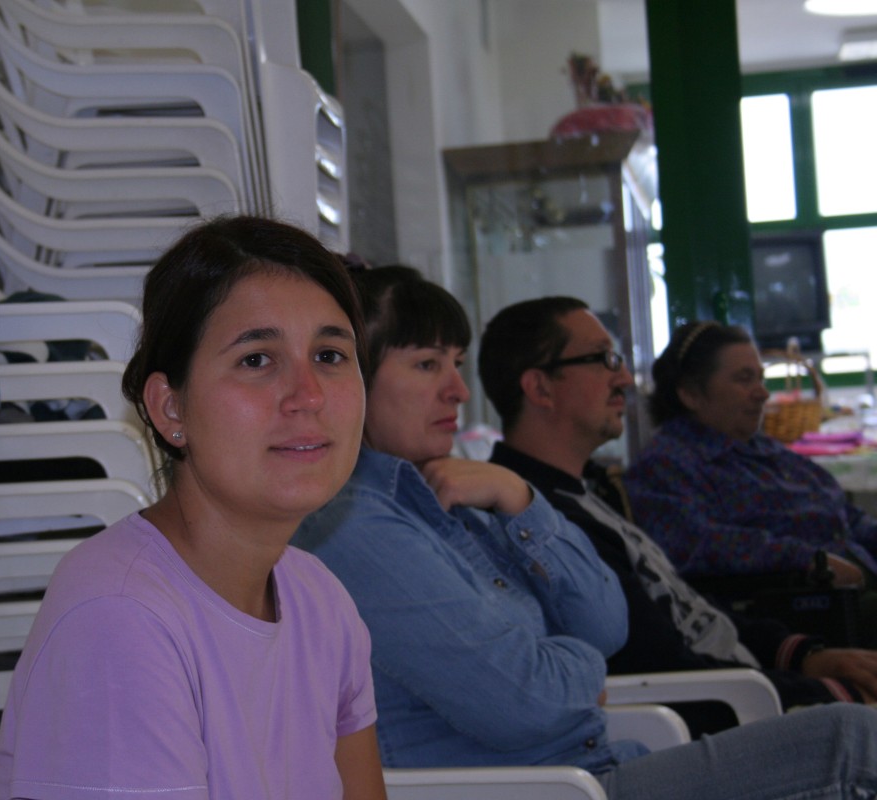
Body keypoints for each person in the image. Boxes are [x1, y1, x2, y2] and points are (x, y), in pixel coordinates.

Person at [293, 265, 877, 800]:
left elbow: (606, 622)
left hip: (599, 765)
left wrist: (521, 500)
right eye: (427, 365)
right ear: (353, 380)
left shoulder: (449, 491)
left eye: (457, 363)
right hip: (557, 787)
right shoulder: (354, 527)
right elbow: (528, 700)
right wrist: (579, 667)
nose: (459, 391)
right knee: (852, 745)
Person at [0, 216, 386, 800]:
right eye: (257, 359)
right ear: (171, 409)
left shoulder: (319, 601)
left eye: (329, 355)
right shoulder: (119, 619)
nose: (309, 395)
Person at [477, 296, 877, 735]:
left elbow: (689, 607)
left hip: (751, 682)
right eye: (603, 359)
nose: (624, 378)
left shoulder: (590, 491)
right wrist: (826, 694)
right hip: (731, 714)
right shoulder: (537, 520)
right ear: (540, 388)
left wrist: (803, 654)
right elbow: (665, 669)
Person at [623, 320, 877, 589]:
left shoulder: (764, 449)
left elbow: (845, 515)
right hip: (807, 599)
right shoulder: (665, 466)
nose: (763, 393)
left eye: (760, 378)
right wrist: (808, 560)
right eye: (744, 379)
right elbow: (697, 544)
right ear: (690, 394)